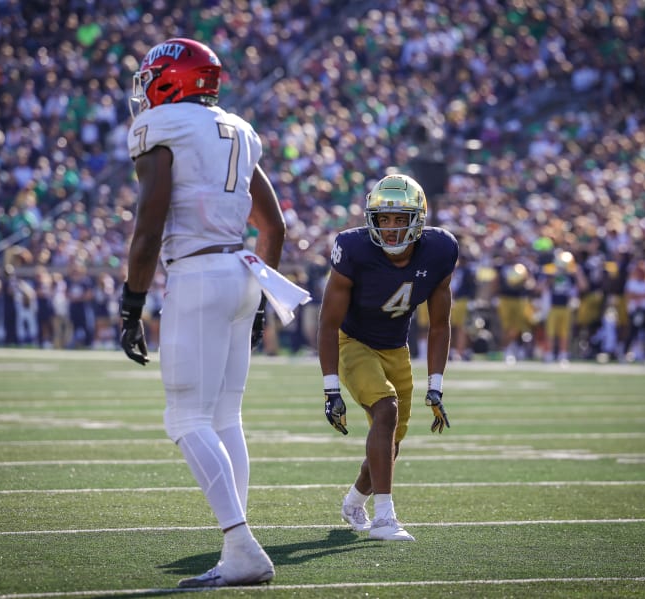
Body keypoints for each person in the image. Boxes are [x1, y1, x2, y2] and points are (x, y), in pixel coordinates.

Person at [118, 38, 285, 588]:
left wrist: (131, 304)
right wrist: (260, 296)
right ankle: (238, 545)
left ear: (170, 80)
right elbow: (274, 227)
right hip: (242, 273)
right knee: (224, 417)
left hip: (197, 272)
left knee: (185, 419)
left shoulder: (161, 127)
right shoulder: (238, 128)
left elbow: (148, 228)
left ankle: (240, 546)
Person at [317, 173, 458, 542]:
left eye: (400, 218)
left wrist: (436, 385)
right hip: (354, 341)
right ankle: (384, 519)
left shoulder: (441, 249)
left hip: (397, 348)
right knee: (386, 409)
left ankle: (353, 503)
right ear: (371, 220)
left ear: (419, 219)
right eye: (384, 219)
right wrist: (331, 389)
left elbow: (440, 325)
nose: (392, 228)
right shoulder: (353, 248)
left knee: (391, 442)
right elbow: (328, 323)